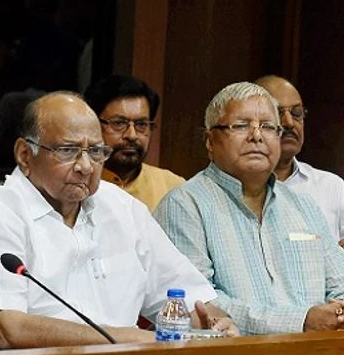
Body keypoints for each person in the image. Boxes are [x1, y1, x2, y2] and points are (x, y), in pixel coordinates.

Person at [0, 91, 236, 355]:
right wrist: (129, 338)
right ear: (25, 154)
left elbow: (186, 297)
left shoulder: (123, 208)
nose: (85, 166)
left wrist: (213, 322)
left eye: (96, 152)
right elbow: (8, 330)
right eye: (68, 151)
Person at [154, 82, 344, 335]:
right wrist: (301, 321)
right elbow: (200, 303)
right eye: (241, 126)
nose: (256, 136)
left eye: (268, 127)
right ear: (210, 141)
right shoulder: (184, 205)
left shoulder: (304, 206)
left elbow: (339, 283)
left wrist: (336, 315)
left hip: (319, 352)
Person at [255, 75, 344, 246]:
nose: (289, 123)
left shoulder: (332, 188)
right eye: (277, 113)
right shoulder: (233, 190)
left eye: (297, 113)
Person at [84, 75, 184, 211]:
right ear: (93, 125)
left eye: (141, 124)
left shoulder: (173, 187)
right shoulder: (76, 183)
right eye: (119, 123)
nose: (132, 135)